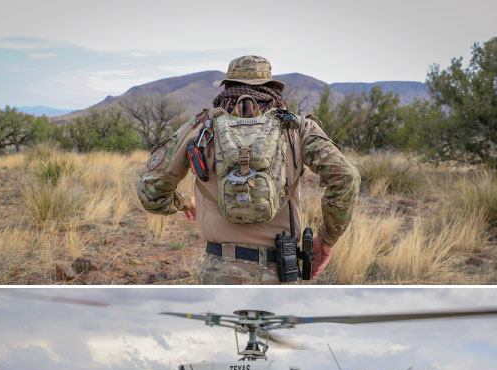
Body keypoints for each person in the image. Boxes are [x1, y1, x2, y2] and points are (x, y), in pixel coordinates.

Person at [138, 55, 359, 284]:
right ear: (272, 88)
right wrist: (326, 239)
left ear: (225, 87)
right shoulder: (297, 128)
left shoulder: (200, 128)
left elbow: (151, 192)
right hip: (280, 270)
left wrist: (186, 202)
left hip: (219, 270)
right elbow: (346, 178)